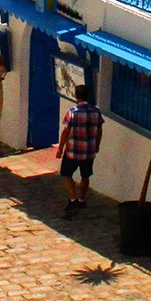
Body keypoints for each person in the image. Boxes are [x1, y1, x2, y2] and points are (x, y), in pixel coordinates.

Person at [56, 80, 103, 216]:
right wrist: (97, 144)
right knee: (85, 175)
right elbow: (99, 130)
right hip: (89, 151)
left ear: (76, 96)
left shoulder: (72, 113)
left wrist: (60, 148)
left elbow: (66, 132)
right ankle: (81, 199)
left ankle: (73, 199)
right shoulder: (96, 112)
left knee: (66, 174)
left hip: (73, 151)